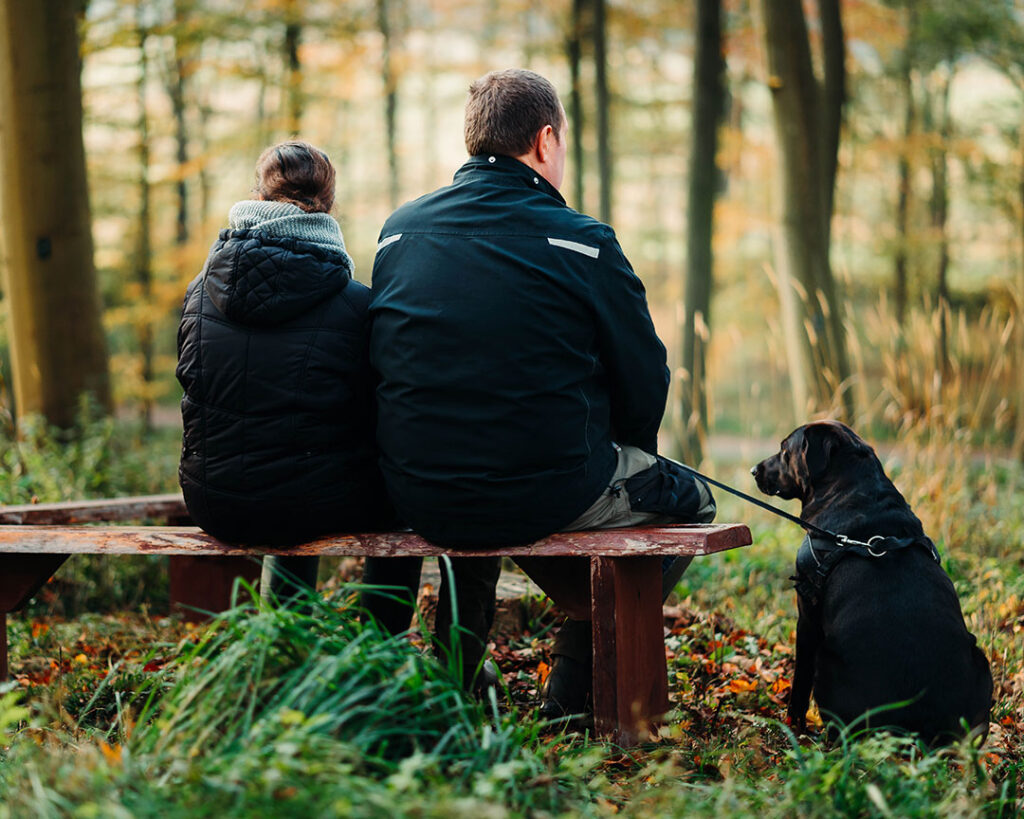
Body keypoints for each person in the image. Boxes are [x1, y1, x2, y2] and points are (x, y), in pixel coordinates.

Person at [369, 69, 716, 717]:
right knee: (693, 501)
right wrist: (626, 454)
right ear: (545, 140)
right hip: (547, 488)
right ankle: (576, 685)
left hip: (416, 489)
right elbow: (644, 378)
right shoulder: (584, 241)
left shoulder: (398, 231)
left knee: (473, 500)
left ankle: (455, 688)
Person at [175, 139, 410, 620]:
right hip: (307, 503)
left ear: (259, 197)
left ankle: (282, 633)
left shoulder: (200, 291)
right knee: (405, 498)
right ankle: (378, 648)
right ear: (328, 206)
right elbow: (376, 408)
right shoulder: (355, 305)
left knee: (290, 470)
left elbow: (191, 384)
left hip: (211, 498)